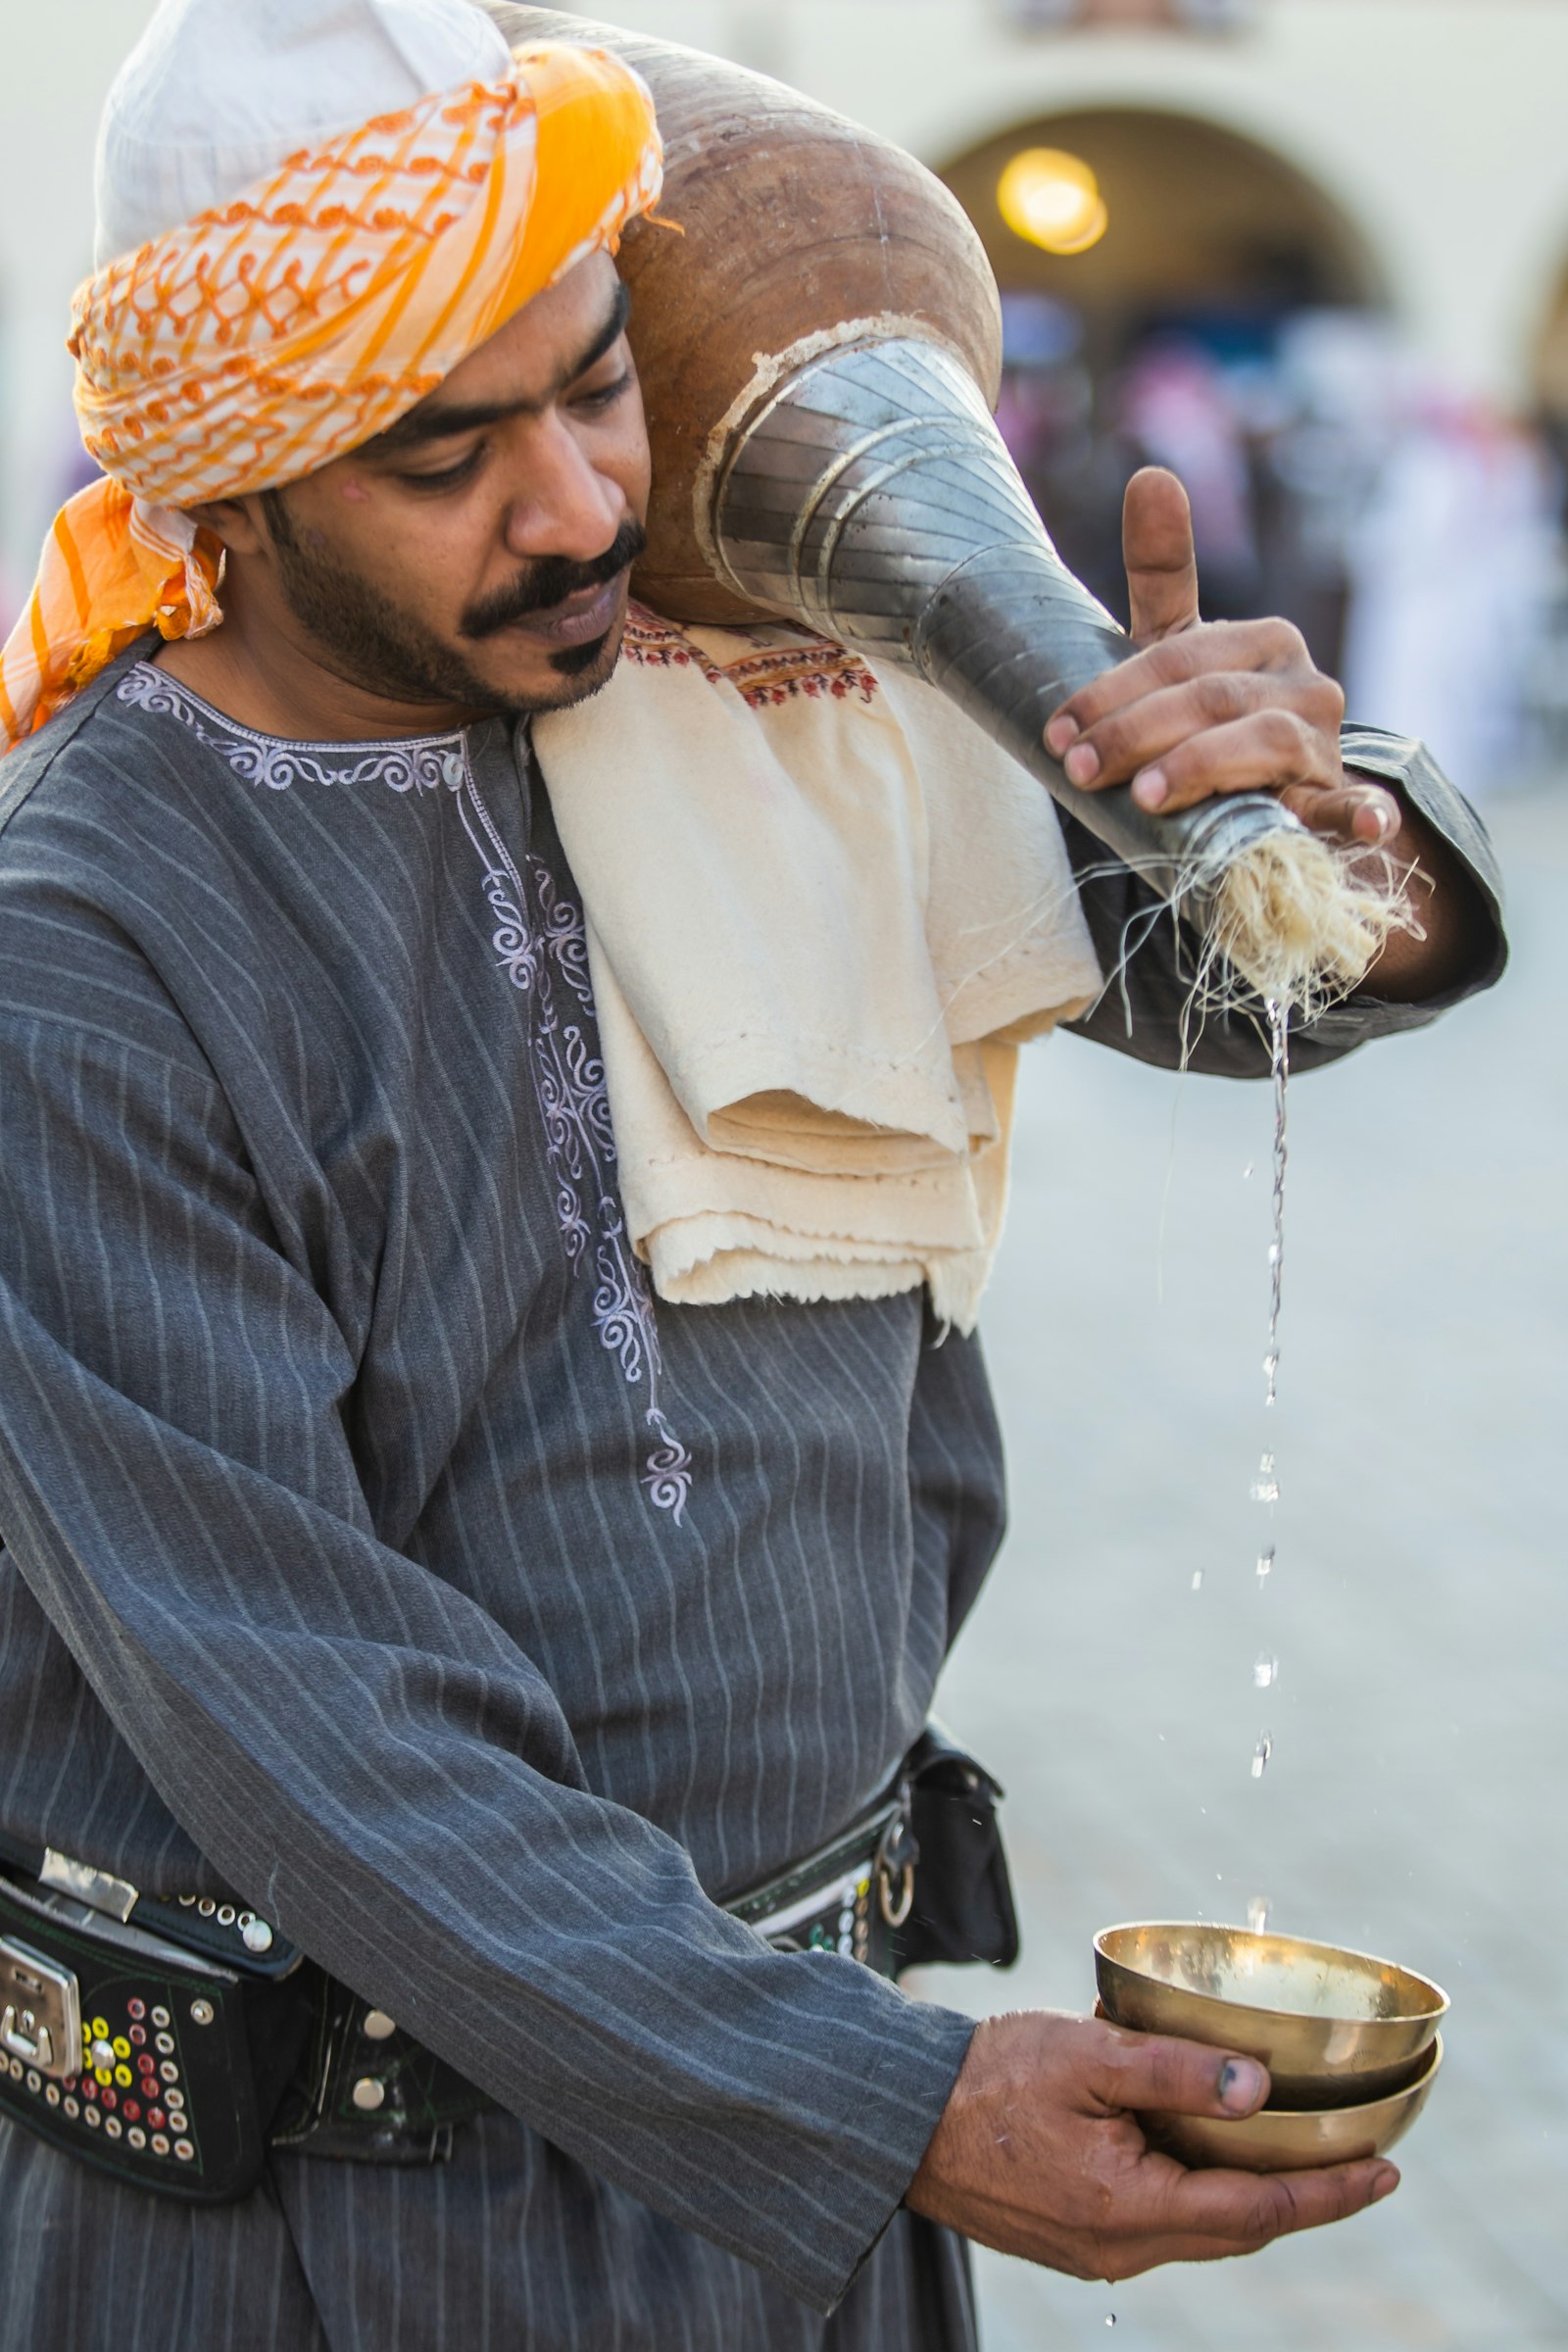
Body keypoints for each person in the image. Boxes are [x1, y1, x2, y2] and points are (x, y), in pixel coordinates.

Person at [0, 4, 1504, 2347]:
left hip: (790, 2186)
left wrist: (1311, 817)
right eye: (443, 451)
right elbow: (307, 1712)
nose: (583, 507)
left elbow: (1268, 972)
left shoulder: (765, 713)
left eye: (596, 385)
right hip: (333, 2233)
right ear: (233, 479)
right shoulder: (87, 959)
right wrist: (881, 2106)